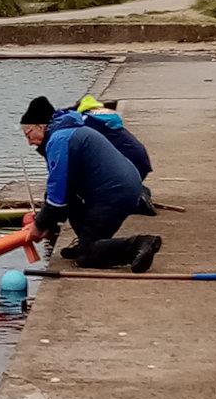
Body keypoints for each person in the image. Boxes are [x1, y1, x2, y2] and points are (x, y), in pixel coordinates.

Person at [21, 96, 162, 272]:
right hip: (120, 187)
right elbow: (61, 190)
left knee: (86, 256)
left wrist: (39, 226)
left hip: (114, 193)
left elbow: (56, 197)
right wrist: (44, 221)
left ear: (40, 126)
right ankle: (86, 242)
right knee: (71, 200)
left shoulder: (58, 139)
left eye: (28, 134)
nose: (29, 142)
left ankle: (139, 244)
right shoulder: (66, 130)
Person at [76, 94, 156, 215]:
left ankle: (137, 200)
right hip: (140, 162)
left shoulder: (88, 123)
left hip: (130, 166)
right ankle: (138, 191)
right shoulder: (104, 117)